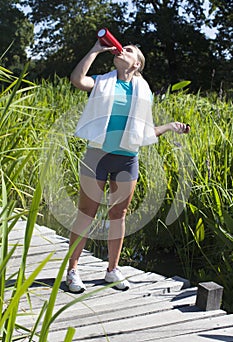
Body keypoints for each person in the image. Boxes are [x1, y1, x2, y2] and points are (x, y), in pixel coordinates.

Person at [66, 39, 190, 293]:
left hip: (127, 158)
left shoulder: (143, 91)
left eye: (131, 50)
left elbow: (145, 131)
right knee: (86, 213)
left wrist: (169, 127)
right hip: (97, 156)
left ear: (137, 64)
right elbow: (78, 80)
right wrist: (95, 50)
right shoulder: (102, 81)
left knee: (118, 215)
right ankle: (73, 270)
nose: (124, 50)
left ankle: (112, 270)